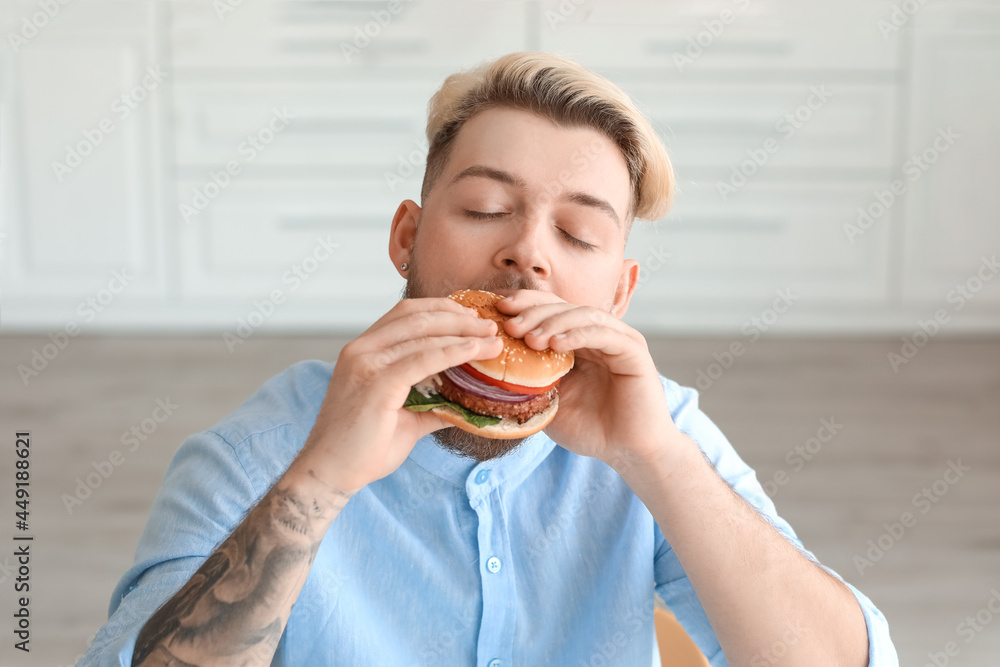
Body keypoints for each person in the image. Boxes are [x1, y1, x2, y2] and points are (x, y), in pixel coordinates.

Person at [79, 51, 898, 666]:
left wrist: (657, 460)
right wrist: (320, 481)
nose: (527, 254)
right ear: (407, 236)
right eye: (485, 207)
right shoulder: (264, 451)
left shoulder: (657, 428)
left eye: (578, 233)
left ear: (617, 293)